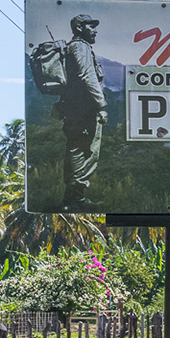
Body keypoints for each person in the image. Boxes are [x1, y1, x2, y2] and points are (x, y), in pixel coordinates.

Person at [56, 14, 107, 209]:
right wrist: (101, 106)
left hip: (75, 109)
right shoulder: (80, 47)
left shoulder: (75, 48)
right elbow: (88, 76)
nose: (94, 30)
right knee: (83, 151)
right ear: (78, 28)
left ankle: (75, 197)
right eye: (90, 26)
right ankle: (74, 199)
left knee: (79, 149)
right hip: (83, 111)